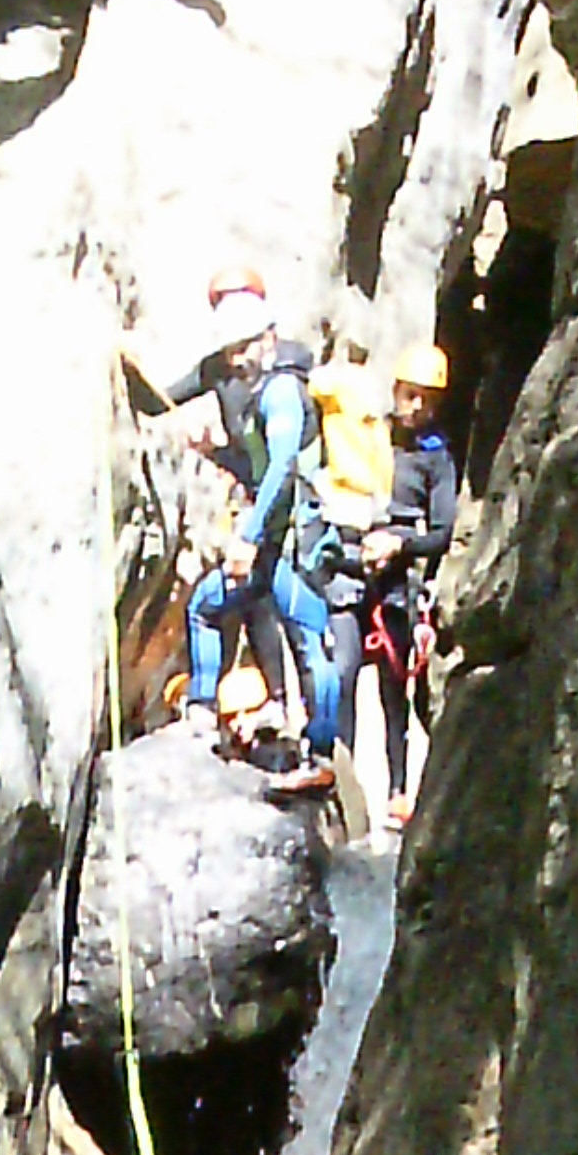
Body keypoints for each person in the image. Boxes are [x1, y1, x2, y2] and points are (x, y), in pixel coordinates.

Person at [166, 272, 340, 802]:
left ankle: (321, 756)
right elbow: (257, 463)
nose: (236, 360)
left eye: (243, 348)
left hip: (295, 541)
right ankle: (201, 708)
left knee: (310, 638)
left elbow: (283, 466)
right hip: (275, 543)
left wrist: (246, 536)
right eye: (232, 350)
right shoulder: (256, 386)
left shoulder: (283, 390)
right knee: (207, 605)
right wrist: (216, 452)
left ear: (266, 338)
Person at [329, 344, 458, 832]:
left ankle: (400, 791)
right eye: (410, 395)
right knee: (340, 671)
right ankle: (340, 783)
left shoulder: (435, 459)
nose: (416, 407)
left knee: (391, 688)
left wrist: (400, 545)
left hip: (396, 582)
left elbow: (442, 532)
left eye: (426, 399)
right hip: (352, 563)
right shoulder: (373, 435)